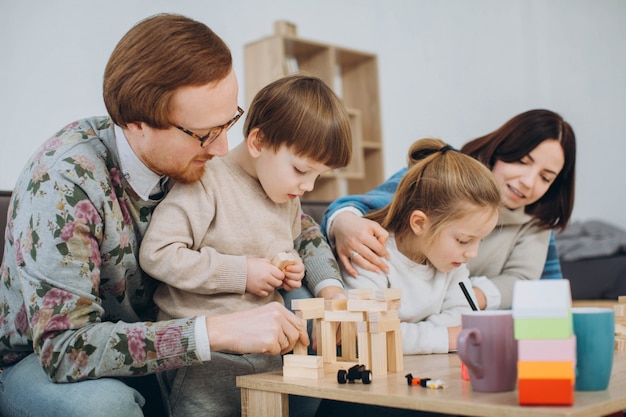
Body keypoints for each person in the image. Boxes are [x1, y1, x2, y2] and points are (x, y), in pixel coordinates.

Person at [0, 14, 344, 417]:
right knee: (103, 406)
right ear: (137, 124)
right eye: (205, 134)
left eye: (228, 121)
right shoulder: (63, 184)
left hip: (168, 351)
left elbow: (296, 225)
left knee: (303, 313)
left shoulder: (196, 164)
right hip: (47, 365)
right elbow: (65, 351)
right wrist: (216, 331)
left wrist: (345, 217)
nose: (221, 149)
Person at [138, 73, 352, 416]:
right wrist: (241, 273)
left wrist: (290, 267)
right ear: (257, 142)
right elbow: (157, 254)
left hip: (267, 355)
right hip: (205, 362)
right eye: (300, 170)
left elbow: (289, 244)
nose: (309, 186)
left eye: (318, 175)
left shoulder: (285, 194)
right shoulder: (206, 180)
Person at [323, 109, 576, 310]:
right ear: (500, 150)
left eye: (546, 177)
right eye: (522, 162)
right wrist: (346, 223)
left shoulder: (536, 221)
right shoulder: (445, 174)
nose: (528, 182)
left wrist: (459, 302)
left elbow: (532, 285)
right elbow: (363, 206)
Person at [341, 138, 501, 354]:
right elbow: (363, 331)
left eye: (479, 240)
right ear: (419, 223)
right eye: (463, 240)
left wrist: (409, 334)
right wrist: (444, 337)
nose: (472, 253)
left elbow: (462, 317)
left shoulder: (451, 262)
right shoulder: (370, 253)